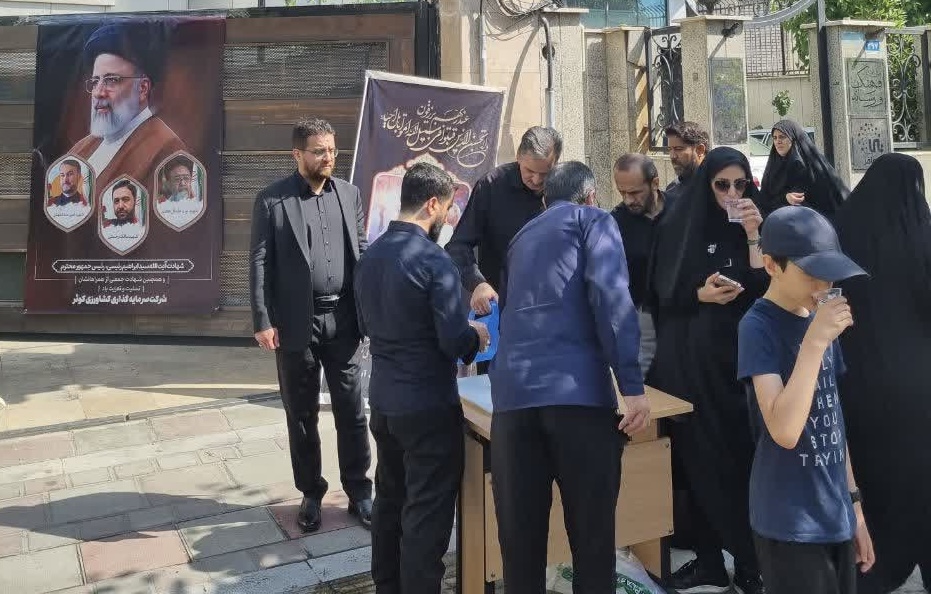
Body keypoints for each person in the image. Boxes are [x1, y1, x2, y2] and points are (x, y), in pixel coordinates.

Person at [489, 161, 651, 594]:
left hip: (513, 402)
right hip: (578, 398)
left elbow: (508, 314)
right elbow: (611, 298)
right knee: (592, 539)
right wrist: (632, 387)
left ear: (545, 201)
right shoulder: (593, 221)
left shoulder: (520, 237)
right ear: (592, 196)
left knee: (519, 545)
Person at [354, 162, 491, 594]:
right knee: (426, 517)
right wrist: (476, 336)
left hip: (384, 402)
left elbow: (365, 323)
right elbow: (453, 340)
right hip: (428, 407)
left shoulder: (370, 255)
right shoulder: (434, 261)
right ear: (432, 204)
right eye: (448, 209)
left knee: (390, 504)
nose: (448, 219)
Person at [737, 205, 874, 594]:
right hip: (789, 521)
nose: (823, 285)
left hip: (835, 513)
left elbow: (833, 418)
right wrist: (814, 342)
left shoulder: (819, 322)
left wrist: (855, 507)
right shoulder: (757, 327)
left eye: (829, 273)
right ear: (771, 265)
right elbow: (784, 430)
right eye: (811, 273)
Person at [647, 147, 766, 594]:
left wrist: (753, 234)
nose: (732, 193)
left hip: (742, 363)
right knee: (699, 461)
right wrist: (699, 294)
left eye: (741, 184)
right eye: (722, 185)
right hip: (693, 364)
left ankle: (751, 561)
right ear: (707, 184)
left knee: (743, 461)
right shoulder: (680, 223)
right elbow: (659, 291)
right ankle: (710, 560)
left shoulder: (754, 223)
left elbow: (766, 286)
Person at [250, 118, 372, 533]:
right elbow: (260, 262)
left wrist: (371, 310)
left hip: (344, 321)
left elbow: (362, 252)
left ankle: (360, 492)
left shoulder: (349, 195)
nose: (328, 157)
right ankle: (311, 493)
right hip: (294, 325)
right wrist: (263, 320)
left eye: (332, 150)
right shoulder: (272, 201)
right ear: (297, 154)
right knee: (301, 415)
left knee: (352, 410)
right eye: (319, 151)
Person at [834, 153, 931, 593]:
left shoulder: (840, 234)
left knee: (872, 482)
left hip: (856, 382)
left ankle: (872, 568)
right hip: (918, 387)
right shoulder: (922, 238)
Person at [446, 126, 561, 319]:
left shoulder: (565, 187)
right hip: (501, 305)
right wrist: (477, 283)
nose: (537, 180)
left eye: (545, 173)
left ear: (556, 162)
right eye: (530, 171)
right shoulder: (492, 186)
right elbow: (458, 246)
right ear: (518, 157)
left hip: (551, 307)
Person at [69, 23, 186, 199]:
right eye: (95, 81)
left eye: (111, 80)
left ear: (142, 88)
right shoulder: (82, 148)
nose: (98, 92)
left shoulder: (167, 150)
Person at [610, 153, 676, 375]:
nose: (628, 200)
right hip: (641, 319)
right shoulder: (615, 223)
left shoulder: (682, 209)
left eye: (635, 192)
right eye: (622, 193)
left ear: (654, 183)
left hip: (684, 313)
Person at [758, 119, 848, 218]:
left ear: (793, 139)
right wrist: (785, 198)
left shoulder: (805, 167)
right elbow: (764, 200)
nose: (778, 141)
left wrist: (786, 199)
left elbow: (806, 201)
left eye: (782, 137)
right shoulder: (773, 166)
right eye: (774, 138)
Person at [664, 121, 710, 203]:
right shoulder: (672, 190)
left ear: (700, 150)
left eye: (678, 149)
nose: (672, 156)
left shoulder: (720, 188)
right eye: (669, 149)